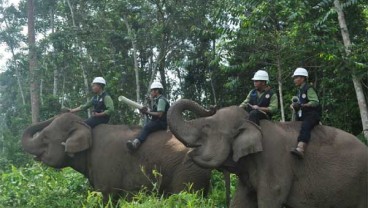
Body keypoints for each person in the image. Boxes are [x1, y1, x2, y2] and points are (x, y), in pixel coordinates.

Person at [127, 82, 170, 151]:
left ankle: (136, 144)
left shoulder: (161, 100)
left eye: (152, 91)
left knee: (147, 127)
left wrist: (147, 112)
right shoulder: (157, 100)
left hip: (161, 122)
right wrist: (146, 110)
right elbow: (153, 111)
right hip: (158, 121)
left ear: (157, 91)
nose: (151, 92)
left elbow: (159, 114)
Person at [290, 67, 321, 159]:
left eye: (296, 77)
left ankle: (301, 148)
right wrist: (294, 106)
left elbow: (315, 102)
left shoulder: (309, 88)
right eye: (294, 78)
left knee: (305, 125)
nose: (295, 80)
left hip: (312, 114)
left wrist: (302, 105)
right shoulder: (299, 90)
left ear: (303, 78)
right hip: (302, 114)